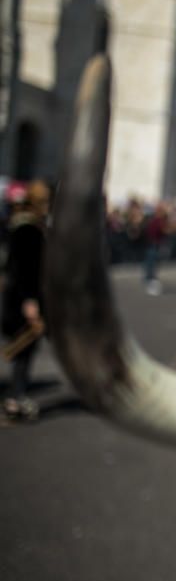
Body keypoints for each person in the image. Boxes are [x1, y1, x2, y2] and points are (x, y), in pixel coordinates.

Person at [2, 180, 49, 420]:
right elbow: (25, 269)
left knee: (22, 348)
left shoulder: (21, 226)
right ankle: (14, 397)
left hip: (16, 295)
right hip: (22, 298)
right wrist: (30, 301)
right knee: (23, 348)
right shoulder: (29, 230)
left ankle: (16, 394)